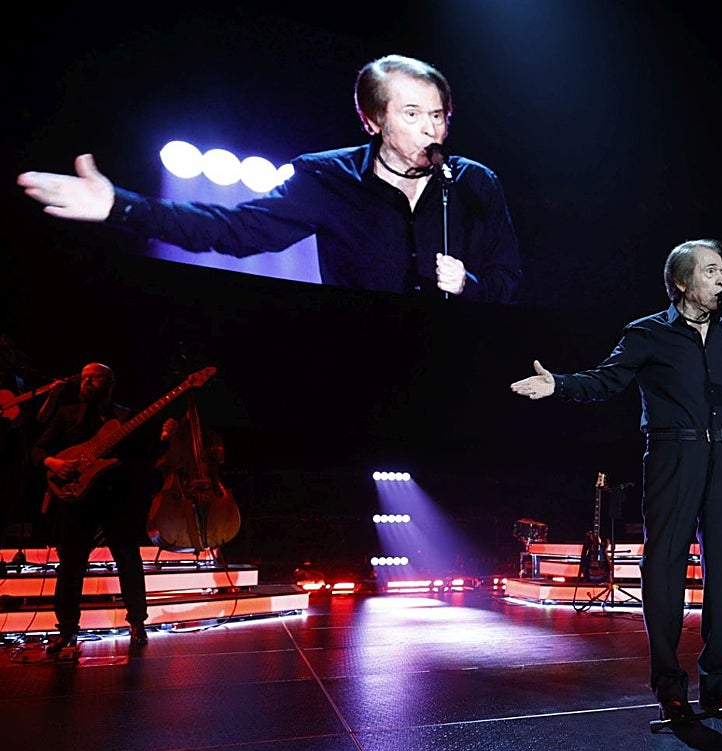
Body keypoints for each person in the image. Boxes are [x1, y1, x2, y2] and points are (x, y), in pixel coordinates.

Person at [16, 54, 522, 303]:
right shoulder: (326, 178)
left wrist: (469, 286)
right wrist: (118, 206)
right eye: (413, 114)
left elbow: (507, 281)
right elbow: (232, 230)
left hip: (459, 376)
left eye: (440, 115)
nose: (431, 129)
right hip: (366, 370)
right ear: (373, 120)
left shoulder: (476, 183)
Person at [510, 238, 722, 720]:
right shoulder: (648, 333)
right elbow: (606, 380)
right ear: (681, 282)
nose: (721, 280)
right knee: (665, 564)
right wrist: (559, 384)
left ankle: (718, 681)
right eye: (710, 272)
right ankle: (669, 683)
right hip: (674, 452)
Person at [30, 363, 162, 654]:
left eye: (95, 377)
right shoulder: (66, 414)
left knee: (128, 561)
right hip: (76, 499)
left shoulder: (126, 417)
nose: (87, 381)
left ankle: (137, 623)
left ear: (111, 383)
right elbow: (38, 449)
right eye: (84, 377)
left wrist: (164, 437)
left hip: (117, 498)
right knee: (71, 566)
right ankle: (66, 630)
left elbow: (145, 455)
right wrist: (54, 463)